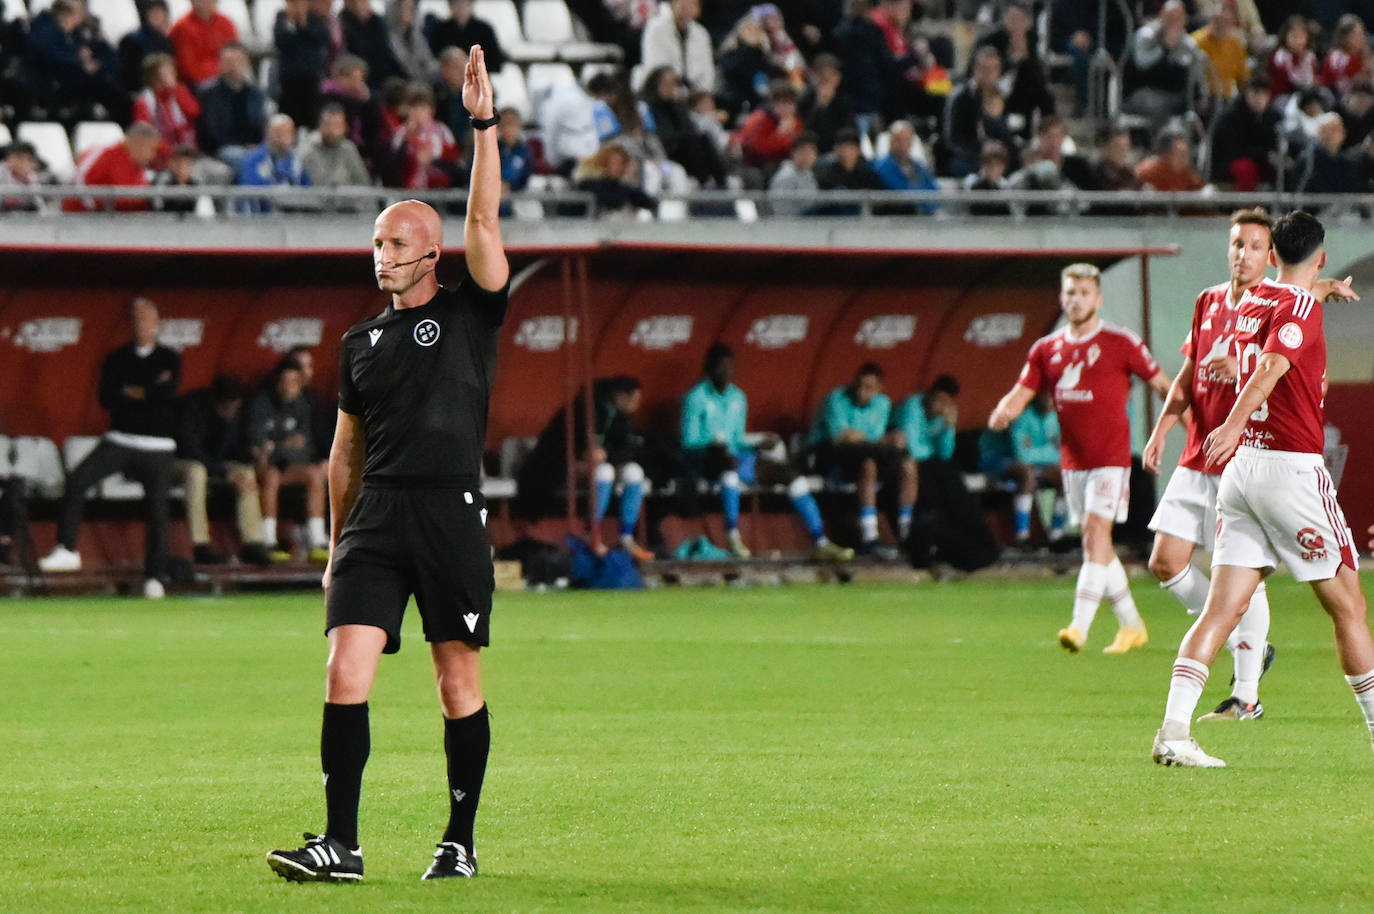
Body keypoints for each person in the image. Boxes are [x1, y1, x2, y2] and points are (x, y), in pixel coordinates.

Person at [266, 49, 506, 883]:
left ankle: (460, 840)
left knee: (454, 680)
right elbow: (345, 450)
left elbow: (483, 223)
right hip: (374, 519)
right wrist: (336, 544)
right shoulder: (358, 343)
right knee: (344, 669)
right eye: (375, 241)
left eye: (397, 241)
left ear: (432, 252)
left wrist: (481, 125)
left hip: (449, 512)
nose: (382, 252)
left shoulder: (472, 312)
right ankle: (342, 843)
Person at [1151, 211, 1374, 769]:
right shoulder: (1293, 305)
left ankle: (1174, 732)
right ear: (1321, 256)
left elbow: (1292, 303)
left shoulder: (1252, 301)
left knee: (1221, 609)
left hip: (1241, 474)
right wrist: (1227, 424)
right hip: (1288, 470)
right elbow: (1274, 363)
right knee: (1348, 604)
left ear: (1271, 255)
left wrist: (1320, 288)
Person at [989, 263, 1171, 653]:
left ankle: (1079, 626)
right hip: (1073, 463)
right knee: (1099, 545)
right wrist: (1004, 410)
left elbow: (1161, 385)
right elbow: (1022, 390)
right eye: (1071, 293)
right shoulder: (1046, 349)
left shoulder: (1121, 343)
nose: (1077, 300)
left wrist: (1195, 428)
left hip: (1111, 459)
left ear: (1098, 298)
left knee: (1093, 535)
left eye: (1085, 293)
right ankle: (1132, 626)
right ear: (1062, 297)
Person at [1143, 209, 1280, 721]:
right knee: (1164, 561)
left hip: (1242, 458)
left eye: (1253, 245)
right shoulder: (1208, 301)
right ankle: (1240, 642)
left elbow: (1288, 375)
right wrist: (1159, 432)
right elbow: (1184, 374)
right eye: (1236, 244)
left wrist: (1243, 364)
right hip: (1197, 450)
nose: (1242, 253)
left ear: (1270, 255)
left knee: (1243, 576)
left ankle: (1246, 695)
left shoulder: (1277, 308)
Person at [38, 298, 180, 600]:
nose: (139, 325)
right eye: (135, 319)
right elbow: (107, 398)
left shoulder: (170, 358)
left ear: (157, 324)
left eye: (145, 319)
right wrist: (143, 392)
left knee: (157, 509)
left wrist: (130, 392)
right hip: (120, 439)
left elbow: (164, 396)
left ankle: (155, 576)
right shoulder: (116, 358)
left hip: (158, 445)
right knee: (78, 479)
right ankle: (67, 548)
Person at [680, 344, 853, 562]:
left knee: (790, 474)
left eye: (730, 367)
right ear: (709, 369)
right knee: (728, 465)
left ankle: (821, 542)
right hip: (703, 461)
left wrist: (757, 444)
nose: (727, 372)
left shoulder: (738, 397)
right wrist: (712, 445)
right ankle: (732, 537)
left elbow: (735, 438)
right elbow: (688, 442)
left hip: (735, 457)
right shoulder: (695, 398)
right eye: (721, 367)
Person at [517, 376, 656, 561]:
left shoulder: (621, 419)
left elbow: (625, 449)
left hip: (603, 467)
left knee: (634, 472)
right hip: (562, 469)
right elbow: (558, 448)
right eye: (633, 399)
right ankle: (593, 533)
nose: (636, 404)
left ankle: (626, 537)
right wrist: (583, 457)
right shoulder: (582, 412)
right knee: (603, 471)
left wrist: (606, 455)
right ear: (620, 396)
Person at [806, 363, 915, 561]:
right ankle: (869, 537)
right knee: (867, 464)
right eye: (859, 385)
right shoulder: (837, 399)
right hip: (826, 455)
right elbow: (841, 437)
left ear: (879, 388)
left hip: (868, 451)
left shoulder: (883, 403)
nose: (862, 392)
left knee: (907, 464)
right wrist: (879, 440)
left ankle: (908, 534)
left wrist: (891, 440)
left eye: (869, 388)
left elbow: (867, 438)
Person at [175, 375, 272, 566]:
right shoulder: (191, 409)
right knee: (197, 472)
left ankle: (253, 542)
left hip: (214, 465)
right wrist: (226, 474)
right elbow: (191, 450)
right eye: (228, 407)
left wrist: (254, 455)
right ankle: (200, 544)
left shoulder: (234, 414)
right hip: (177, 463)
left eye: (235, 407)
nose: (232, 412)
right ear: (216, 403)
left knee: (245, 473)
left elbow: (231, 450)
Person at [248, 357, 329, 562]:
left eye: (294, 382)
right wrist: (284, 446)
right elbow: (259, 446)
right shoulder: (262, 403)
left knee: (315, 474)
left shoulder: (303, 405)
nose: (289, 387)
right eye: (285, 381)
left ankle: (317, 540)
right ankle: (268, 541)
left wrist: (278, 447)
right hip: (266, 468)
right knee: (272, 475)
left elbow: (305, 447)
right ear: (277, 382)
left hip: (290, 467)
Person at [980, 390, 1066, 546]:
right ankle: (1022, 537)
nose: (1049, 400)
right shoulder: (1022, 416)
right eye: (1046, 394)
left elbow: (1063, 454)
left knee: (1065, 476)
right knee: (1027, 474)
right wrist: (1050, 450)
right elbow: (1021, 455)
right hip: (998, 459)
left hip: (1034, 465)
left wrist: (1037, 452)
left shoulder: (1058, 418)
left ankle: (1056, 536)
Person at [196, 42, 266, 169]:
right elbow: (210, 132)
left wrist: (258, 146)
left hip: (253, 147)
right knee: (244, 160)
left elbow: (260, 125)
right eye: (228, 61)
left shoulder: (255, 93)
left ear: (246, 62)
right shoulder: (208, 93)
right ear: (220, 64)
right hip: (223, 148)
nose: (234, 66)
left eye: (238, 61)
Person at [63, 123, 160, 212]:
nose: (153, 155)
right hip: (84, 219)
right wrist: (95, 210)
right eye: (151, 149)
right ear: (137, 143)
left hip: (124, 223)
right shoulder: (105, 153)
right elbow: (79, 180)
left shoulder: (140, 166)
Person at [274, 0, 332, 128]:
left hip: (311, 77)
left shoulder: (315, 19)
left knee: (311, 117)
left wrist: (303, 24)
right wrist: (293, 24)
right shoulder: (282, 17)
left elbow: (321, 39)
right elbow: (281, 40)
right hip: (289, 78)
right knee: (289, 115)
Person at [640, 0, 714, 94]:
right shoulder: (655, 27)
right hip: (661, 96)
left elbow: (707, 77)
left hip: (694, 97)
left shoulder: (701, 34)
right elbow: (655, 71)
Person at [168, 0, 238, 87]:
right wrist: (220, 70)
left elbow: (236, 55)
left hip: (225, 78)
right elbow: (188, 68)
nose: (206, 3)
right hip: (195, 84)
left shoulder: (226, 23)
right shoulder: (182, 27)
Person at [302, 102, 373, 189]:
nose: (332, 131)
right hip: (314, 201)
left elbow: (363, 183)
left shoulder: (349, 149)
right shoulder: (308, 148)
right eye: (328, 124)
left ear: (345, 127)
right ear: (320, 125)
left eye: (337, 125)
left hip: (347, 201)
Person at [426, 0, 504, 72]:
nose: (461, 8)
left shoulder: (484, 29)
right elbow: (434, 59)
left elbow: (495, 62)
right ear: (450, 6)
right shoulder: (440, 30)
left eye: (465, 4)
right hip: (448, 80)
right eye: (456, 4)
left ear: (471, 5)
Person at [118, 0, 175, 92]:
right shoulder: (132, 42)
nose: (158, 17)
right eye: (153, 13)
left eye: (160, 12)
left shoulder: (166, 40)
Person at [768, 132, 819, 216]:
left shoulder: (808, 173)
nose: (806, 157)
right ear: (793, 153)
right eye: (802, 152)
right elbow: (781, 211)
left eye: (810, 153)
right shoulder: (785, 177)